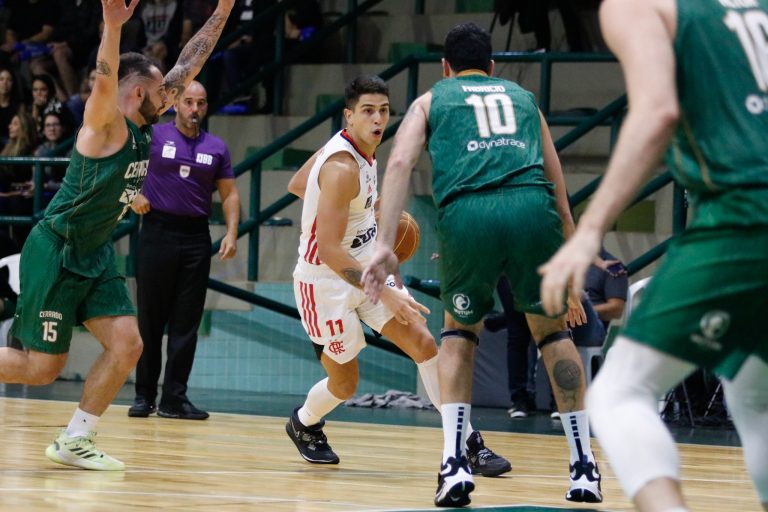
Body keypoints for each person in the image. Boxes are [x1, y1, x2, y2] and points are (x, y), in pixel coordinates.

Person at [538, 0, 768, 511]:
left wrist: (589, 230)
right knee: (755, 394)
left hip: (743, 215)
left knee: (619, 393)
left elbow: (657, 110)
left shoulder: (638, 6)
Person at [363, 23, 602, 507]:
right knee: (553, 335)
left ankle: (454, 464)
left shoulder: (431, 100)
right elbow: (558, 186)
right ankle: (584, 468)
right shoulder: (525, 99)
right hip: (532, 209)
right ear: (491, 67)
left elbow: (400, 163)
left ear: (444, 67)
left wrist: (384, 244)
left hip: (470, 213)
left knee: (459, 335)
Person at [0, 0, 234, 471]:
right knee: (42, 370)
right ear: (137, 92)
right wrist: (111, 27)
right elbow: (105, 79)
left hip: (95, 251)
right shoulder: (104, 124)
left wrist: (223, 9)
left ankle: (75, 439)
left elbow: (190, 63)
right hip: (57, 249)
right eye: (161, 90)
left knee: (129, 343)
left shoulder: (146, 117)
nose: (170, 95)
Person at [285, 74, 511, 479]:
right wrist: (335, 199)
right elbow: (332, 250)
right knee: (345, 385)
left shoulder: (362, 152)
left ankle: (466, 443)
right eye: (367, 111)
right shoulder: (340, 167)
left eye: (383, 111)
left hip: (364, 267)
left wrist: (353, 216)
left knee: (424, 342)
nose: (377, 119)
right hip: (324, 283)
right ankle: (304, 422)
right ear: (349, 115)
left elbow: (298, 183)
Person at [128, 80, 239, 420]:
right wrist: (133, 195)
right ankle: (144, 396)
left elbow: (229, 193)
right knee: (150, 319)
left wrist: (232, 232)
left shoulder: (216, 147)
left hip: (195, 238)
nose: (195, 109)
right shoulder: (153, 136)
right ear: (175, 103)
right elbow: (121, 166)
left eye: (201, 103)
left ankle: (174, 399)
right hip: (156, 232)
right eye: (189, 102)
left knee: (186, 322)